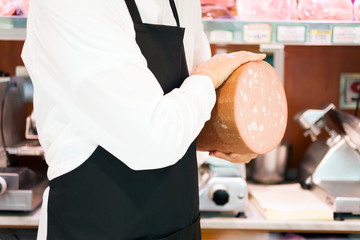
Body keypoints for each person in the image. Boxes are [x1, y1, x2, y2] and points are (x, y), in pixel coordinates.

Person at [22, 0, 265, 239]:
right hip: (93, 226)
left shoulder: (183, 3)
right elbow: (151, 138)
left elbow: (197, 101)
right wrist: (210, 76)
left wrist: (228, 138)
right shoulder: (67, 4)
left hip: (179, 225)